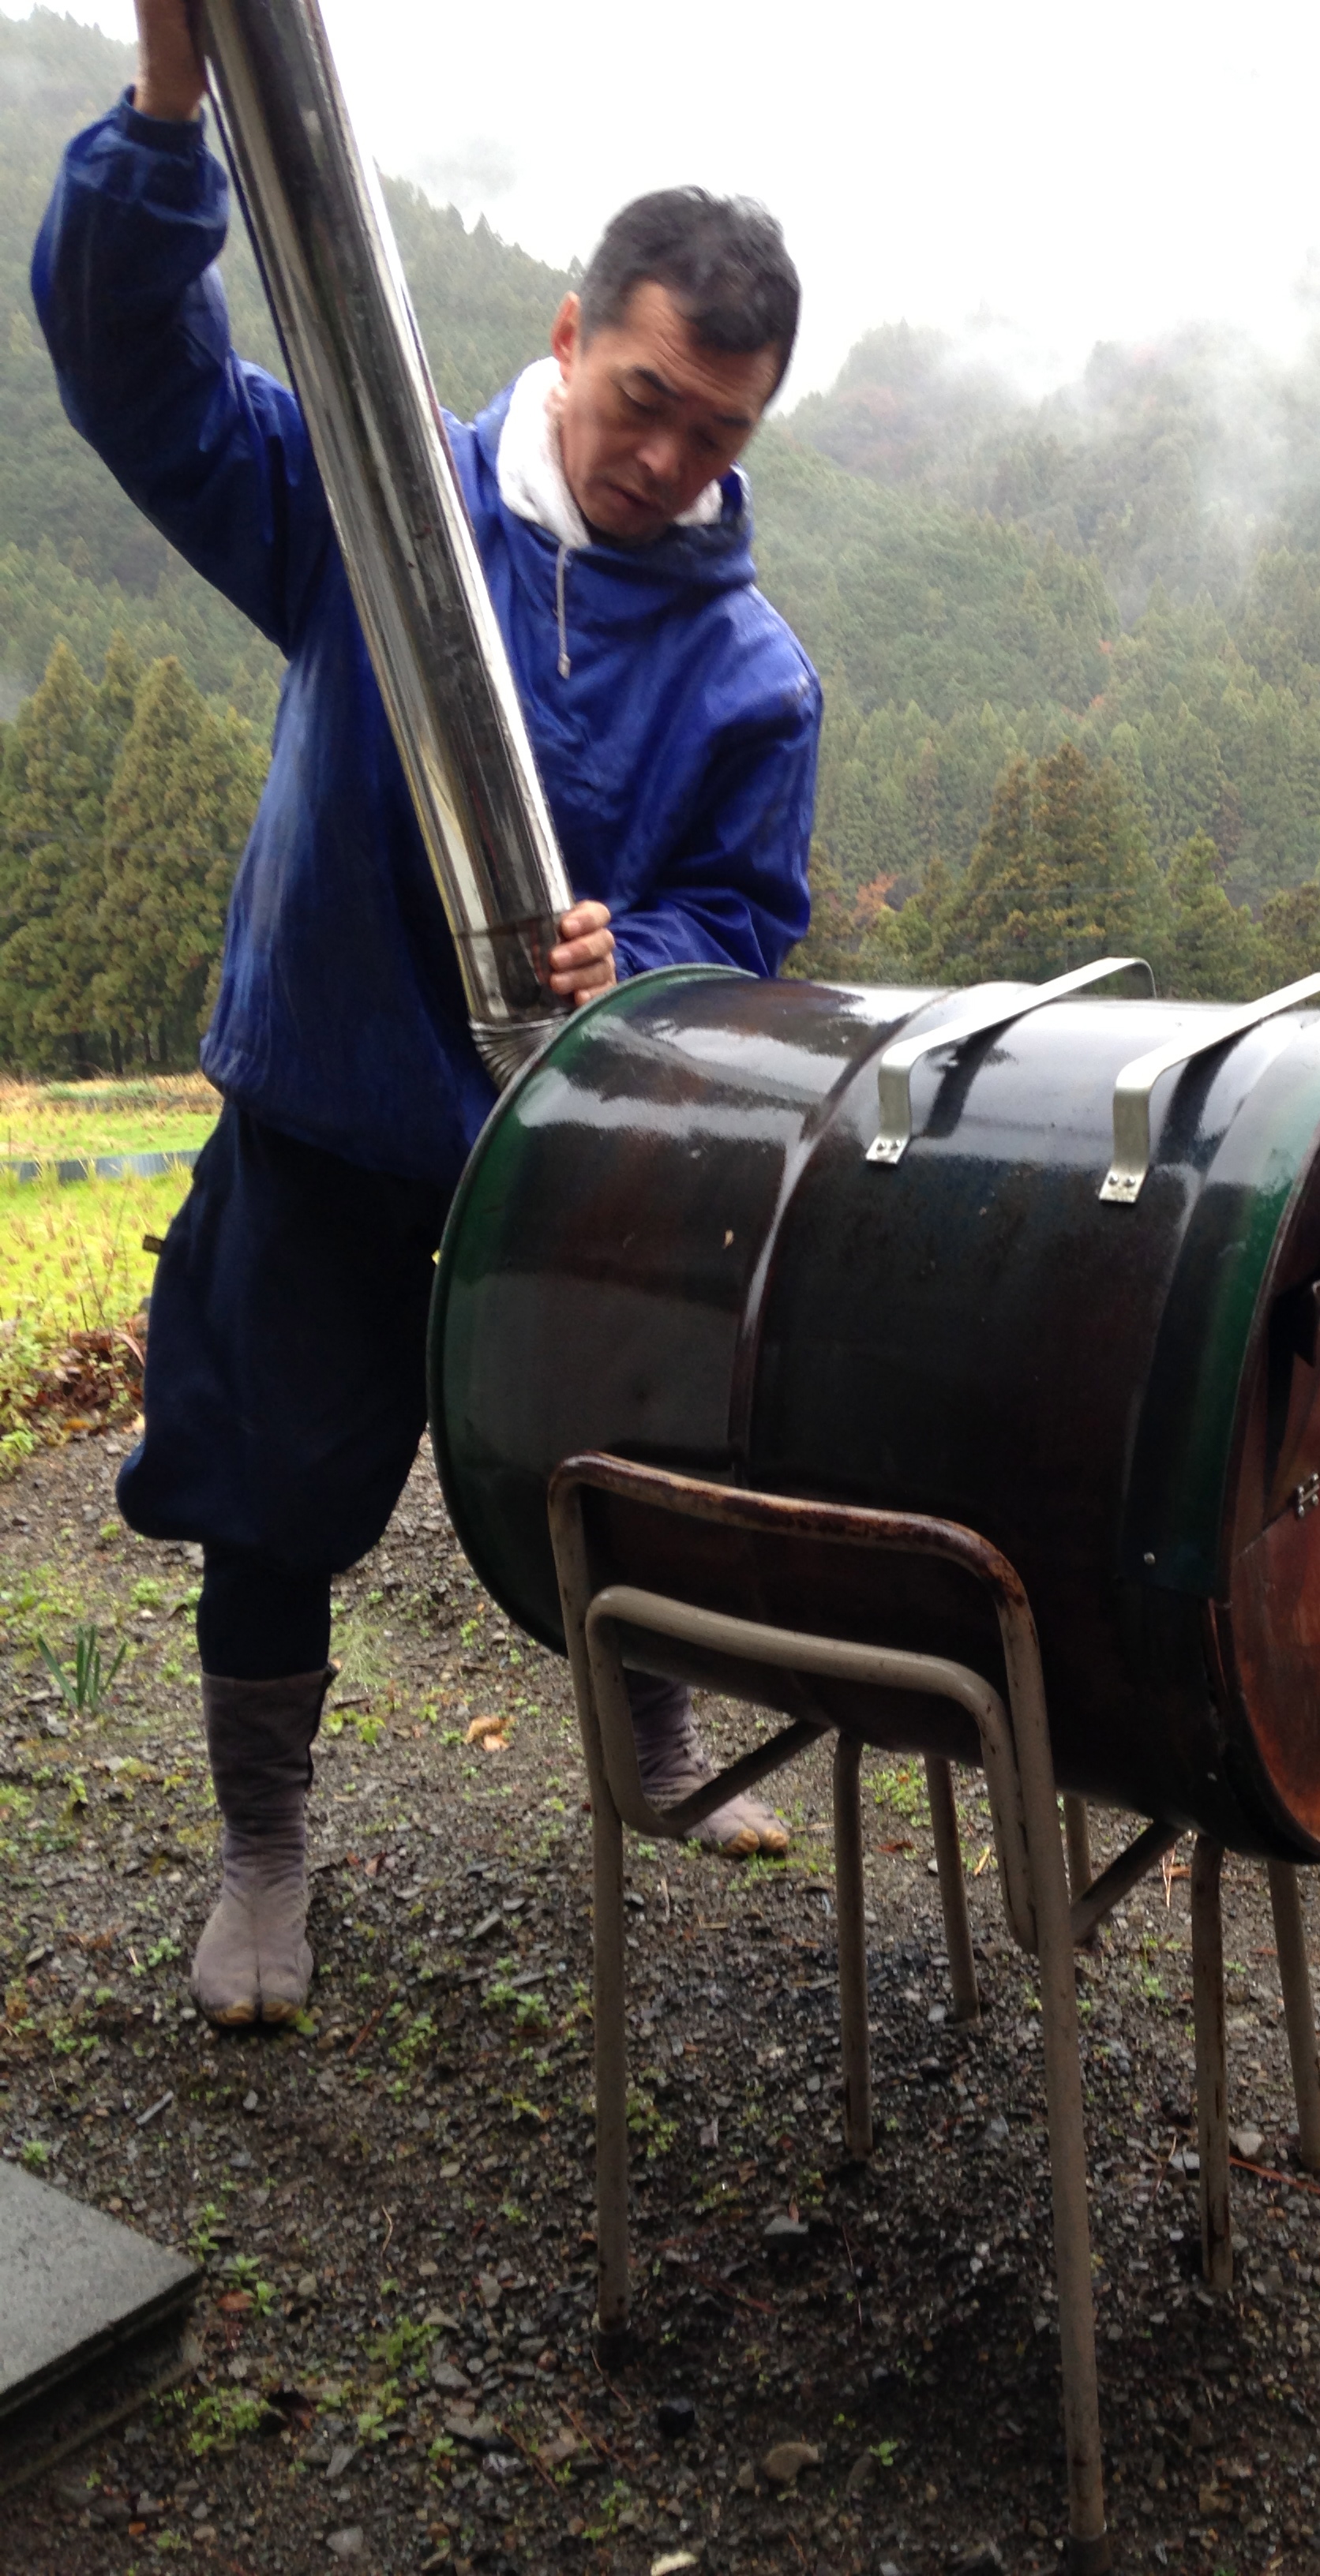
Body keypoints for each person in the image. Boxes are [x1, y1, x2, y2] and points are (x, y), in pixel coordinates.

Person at [33, 0, 817, 2029]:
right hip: (327, 1112)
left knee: (619, 1465)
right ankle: (267, 1845)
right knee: (273, 1482)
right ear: (570, 335)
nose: (665, 460)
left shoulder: (752, 675)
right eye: (644, 397)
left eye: (717, 434)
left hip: (573, 1165)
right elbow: (146, 381)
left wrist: (628, 959)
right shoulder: (377, 511)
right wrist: (169, 110)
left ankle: (654, 1737)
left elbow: (744, 919)